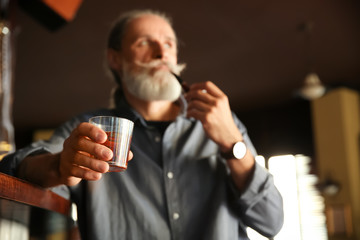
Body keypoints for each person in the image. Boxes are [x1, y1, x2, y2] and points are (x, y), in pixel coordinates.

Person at [0, 9, 284, 240]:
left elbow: (272, 222)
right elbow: (12, 169)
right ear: (115, 59)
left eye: (169, 44)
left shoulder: (225, 123)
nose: (162, 52)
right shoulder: (88, 128)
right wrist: (59, 165)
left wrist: (233, 143)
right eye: (144, 43)